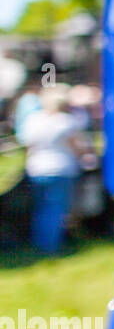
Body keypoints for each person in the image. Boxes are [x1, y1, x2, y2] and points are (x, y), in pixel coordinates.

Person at [16, 86, 88, 252]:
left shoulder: (33, 120)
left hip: (36, 168)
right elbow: (78, 148)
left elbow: (27, 145)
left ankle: (38, 243)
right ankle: (51, 247)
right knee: (55, 209)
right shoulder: (66, 122)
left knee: (41, 207)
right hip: (61, 168)